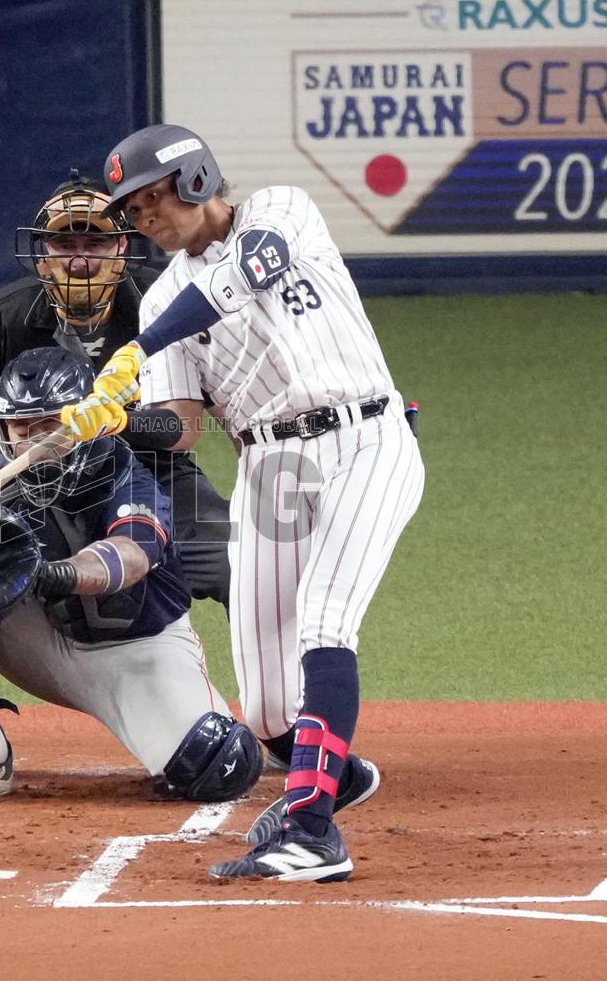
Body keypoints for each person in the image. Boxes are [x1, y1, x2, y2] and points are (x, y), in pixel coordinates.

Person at [59, 124, 425, 881]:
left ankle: (312, 833)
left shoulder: (279, 213)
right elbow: (183, 430)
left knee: (325, 621)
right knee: (263, 709)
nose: (141, 217)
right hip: (274, 469)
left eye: (149, 197)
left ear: (195, 180)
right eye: (131, 208)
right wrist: (113, 417)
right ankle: (333, 776)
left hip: (365, 440)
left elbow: (247, 275)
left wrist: (140, 345)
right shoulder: (162, 296)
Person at [0, 347, 263, 804]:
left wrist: (56, 574)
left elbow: (129, 556)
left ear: (86, 423)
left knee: (217, 763)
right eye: (21, 430)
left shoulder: (128, 474)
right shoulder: (0, 482)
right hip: (46, 648)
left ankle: (274, 731)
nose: (33, 445)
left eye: (50, 427)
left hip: (140, 651)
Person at [0, 169, 231, 608]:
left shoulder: (167, 302)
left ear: (120, 249)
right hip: (38, 476)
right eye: (65, 244)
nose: (80, 259)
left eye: (95, 243)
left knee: (239, 563)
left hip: (154, 468)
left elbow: (187, 426)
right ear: (42, 254)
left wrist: (110, 423)